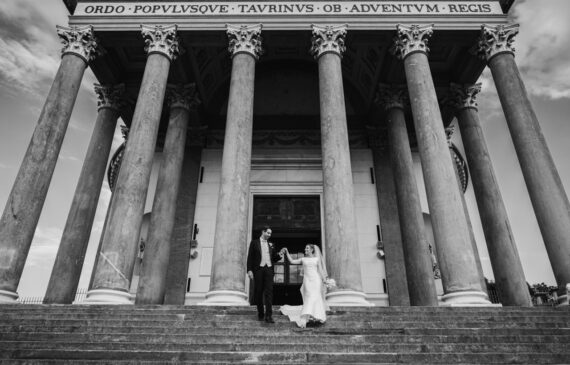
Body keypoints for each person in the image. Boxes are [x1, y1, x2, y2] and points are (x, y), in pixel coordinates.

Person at [280, 244, 329, 328]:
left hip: (316, 281)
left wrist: (324, 280)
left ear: (312, 250)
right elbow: (292, 261)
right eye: (305, 247)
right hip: (307, 281)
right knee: (309, 297)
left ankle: (315, 316)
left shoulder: (317, 259)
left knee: (315, 297)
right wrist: (287, 252)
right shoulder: (303, 259)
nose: (305, 249)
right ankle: (306, 317)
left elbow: (320, 270)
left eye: (307, 248)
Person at [246, 226, 283, 323]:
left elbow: (274, 258)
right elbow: (250, 257)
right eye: (268, 233)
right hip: (258, 269)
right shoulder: (254, 243)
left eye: (270, 234)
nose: (269, 235)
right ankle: (261, 313)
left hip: (269, 270)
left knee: (269, 293)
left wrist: (279, 255)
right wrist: (249, 270)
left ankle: (269, 316)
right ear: (263, 232)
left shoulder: (271, 244)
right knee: (258, 292)